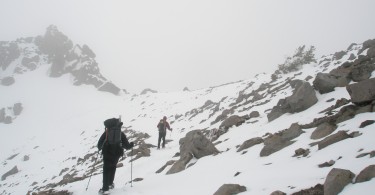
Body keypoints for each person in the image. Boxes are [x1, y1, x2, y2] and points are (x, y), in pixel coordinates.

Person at [97, 118, 134, 194]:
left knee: (106, 170)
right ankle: (110, 184)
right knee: (113, 167)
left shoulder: (106, 132)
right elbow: (126, 146)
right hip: (117, 154)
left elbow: (99, 144)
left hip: (107, 154)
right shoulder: (120, 133)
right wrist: (131, 145)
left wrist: (100, 147)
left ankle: (105, 189)